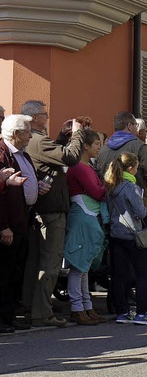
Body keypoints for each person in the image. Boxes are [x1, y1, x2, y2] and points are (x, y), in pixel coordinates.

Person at [21, 100, 85, 328]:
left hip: (41, 209)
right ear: (35, 117)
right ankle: (42, 313)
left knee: (35, 262)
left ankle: (31, 306)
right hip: (51, 211)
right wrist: (77, 135)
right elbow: (70, 158)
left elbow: (53, 157)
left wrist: (61, 135)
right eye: (45, 115)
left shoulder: (34, 141)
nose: (47, 118)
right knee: (50, 262)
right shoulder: (38, 141)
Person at [0, 115, 41, 333]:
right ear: (15, 134)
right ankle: (2, 319)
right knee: (4, 273)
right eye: (27, 132)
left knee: (15, 272)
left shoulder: (21, 154)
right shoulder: (2, 154)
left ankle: (9, 316)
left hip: (22, 221)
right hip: (8, 225)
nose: (30, 136)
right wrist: (3, 226)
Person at [104, 152, 147, 325]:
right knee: (142, 274)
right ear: (131, 168)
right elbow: (141, 212)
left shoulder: (111, 186)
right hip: (133, 235)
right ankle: (142, 313)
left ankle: (123, 312)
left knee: (119, 275)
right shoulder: (130, 187)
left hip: (115, 233)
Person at [64, 130, 108, 326]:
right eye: (97, 143)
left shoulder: (86, 166)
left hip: (87, 213)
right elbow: (97, 192)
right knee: (79, 266)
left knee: (84, 267)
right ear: (85, 146)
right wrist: (110, 185)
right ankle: (77, 308)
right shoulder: (79, 168)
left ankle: (86, 306)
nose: (99, 147)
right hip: (83, 215)